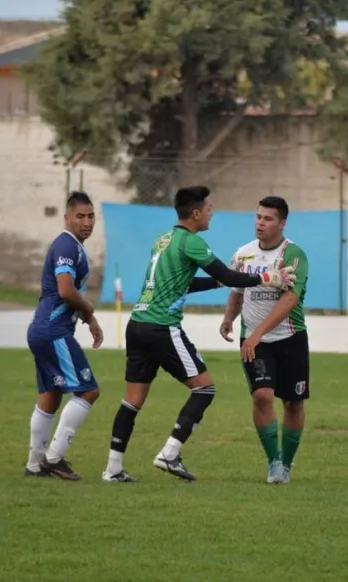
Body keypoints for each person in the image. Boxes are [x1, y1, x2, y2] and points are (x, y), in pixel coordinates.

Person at [102, 185, 296, 484]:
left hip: (138, 324)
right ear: (195, 214)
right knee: (205, 389)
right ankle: (169, 453)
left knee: (132, 400)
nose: (211, 214)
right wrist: (270, 277)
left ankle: (113, 468)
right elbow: (230, 276)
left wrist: (216, 284)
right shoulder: (192, 242)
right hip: (162, 326)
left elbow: (181, 284)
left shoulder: (163, 240)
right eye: (208, 209)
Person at [220, 196, 310, 484]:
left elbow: (290, 299)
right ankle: (274, 463)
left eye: (268, 218)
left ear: (282, 223)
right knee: (262, 395)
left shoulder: (293, 254)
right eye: (258, 217)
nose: (260, 222)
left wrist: (259, 333)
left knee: (293, 403)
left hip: (290, 338)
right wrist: (228, 318)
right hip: (254, 342)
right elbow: (237, 290)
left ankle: (287, 462)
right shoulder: (243, 255)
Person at [25, 191, 104, 481]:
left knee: (51, 393)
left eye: (91, 216)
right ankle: (54, 458)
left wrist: (89, 319)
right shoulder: (66, 245)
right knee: (88, 390)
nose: (86, 222)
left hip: (42, 329)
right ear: (67, 218)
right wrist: (89, 308)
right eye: (80, 216)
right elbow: (66, 290)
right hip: (52, 330)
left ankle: (34, 464)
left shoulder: (73, 246)